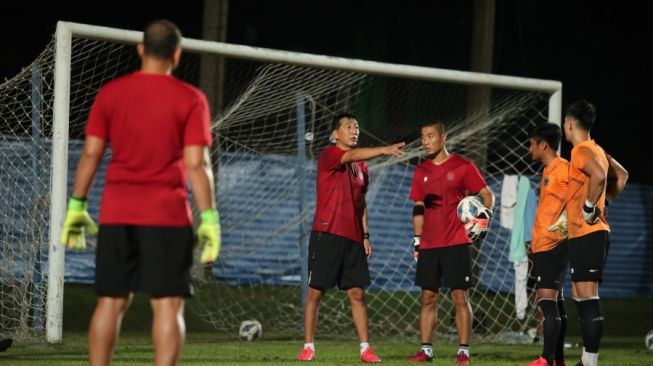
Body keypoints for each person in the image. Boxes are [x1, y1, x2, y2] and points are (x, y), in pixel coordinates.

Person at [59, 19, 220, 366]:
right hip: (168, 215)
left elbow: (91, 154)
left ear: (141, 49)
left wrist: (76, 206)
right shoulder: (191, 99)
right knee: (167, 305)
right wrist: (209, 217)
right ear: (177, 55)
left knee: (111, 302)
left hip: (118, 213)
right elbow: (197, 165)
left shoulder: (111, 93)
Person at [296, 113, 404, 363]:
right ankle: (308, 346)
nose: (354, 130)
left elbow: (361, 204)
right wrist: (385, 149)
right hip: (327, 233)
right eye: (348, 127)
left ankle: (365, 349)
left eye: (356, 127)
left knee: (357, 294)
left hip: (353, 238)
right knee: (315, 294)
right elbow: (352, 155)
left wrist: (365, 235)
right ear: (335, 134)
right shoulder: (330, 154)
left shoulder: (362, 169)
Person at [406, 122, 494, 365]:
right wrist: (416, 240)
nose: (425, 141)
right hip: (429, 245)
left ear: (443, 137)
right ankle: (426, 351)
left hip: (456, 242)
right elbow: (418, 208)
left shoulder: (463, 166)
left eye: (430, 135)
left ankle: (463, 352)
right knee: (427, 298)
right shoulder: (420, 170)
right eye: (422, 136)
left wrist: (483, 220)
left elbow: (487, 195)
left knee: (459, 297)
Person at [562, 101, 627, 366]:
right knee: (579, 292)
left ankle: (590, 362)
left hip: (590, 232)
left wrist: (590, 208)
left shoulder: (580, 150)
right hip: (587, 233)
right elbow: (621, 176)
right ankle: (586, 359)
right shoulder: (598, 149)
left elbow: (600, 176)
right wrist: (604, 204)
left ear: (569, 124)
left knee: (587, 294)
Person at [523, 123, 570, 366]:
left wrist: (563, 227)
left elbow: (579, 196)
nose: (529, 148)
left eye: (532, 143)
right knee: (556, 303)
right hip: (543, 246)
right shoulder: (548, 170)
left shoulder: (563, 168)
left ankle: (546, 359)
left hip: (553, 246)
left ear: (543, 145)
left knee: (548, 303)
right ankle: (558, 360)